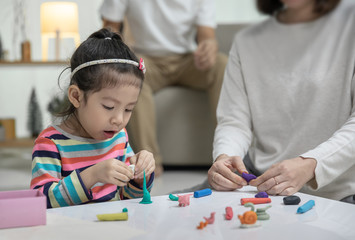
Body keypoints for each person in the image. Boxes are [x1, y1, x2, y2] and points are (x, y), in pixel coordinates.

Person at [208, 0, 355, 203]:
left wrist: (311, 165)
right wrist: (225, 157)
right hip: (257, 186)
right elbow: (234, 121)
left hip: (338, 194)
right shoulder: (247, 41)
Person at [99, 0, 228, 176]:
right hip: (148, 60)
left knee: (222, 64)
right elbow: (110, 28)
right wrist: (120, 52)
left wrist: (209, 46)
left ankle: (227, 156)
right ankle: (150, 162)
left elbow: (206, 35)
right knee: (133, 72)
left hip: (189, 60)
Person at [30, 28, 155, 208]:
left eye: (129, 109)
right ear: (76, 96)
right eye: (109, 107)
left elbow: (128, 199)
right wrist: (91, 176)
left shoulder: (119, 137)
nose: (119, 120)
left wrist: (141, 176)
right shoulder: (51, 143)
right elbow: (41, 203)